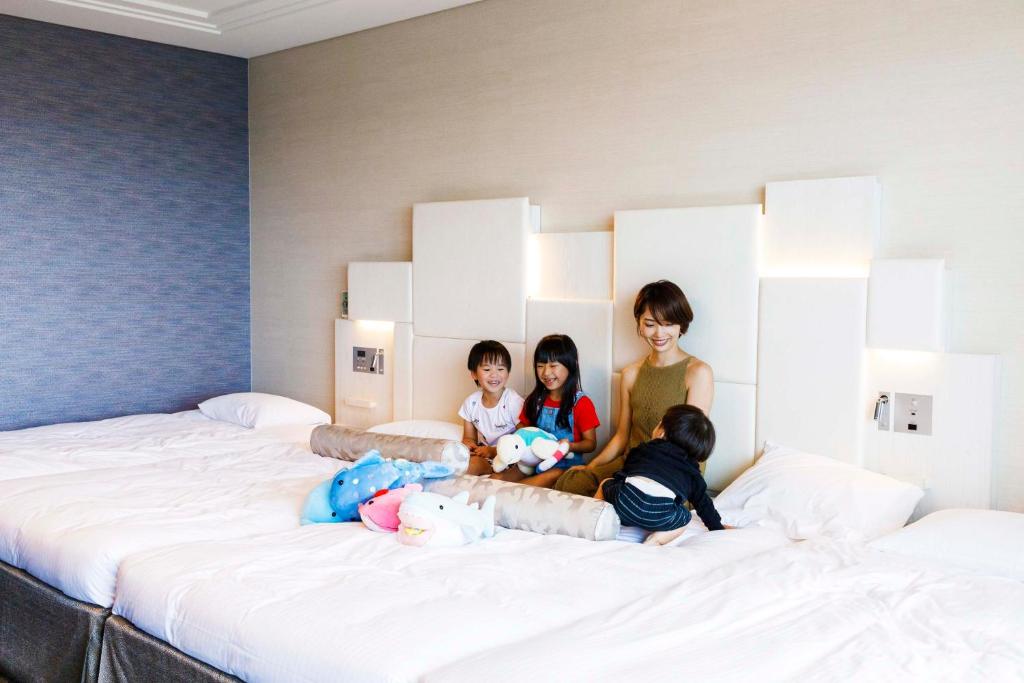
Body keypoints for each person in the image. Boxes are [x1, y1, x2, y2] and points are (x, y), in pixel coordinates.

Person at [554, 280, 713, 497]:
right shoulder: (630, 374)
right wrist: (591, 467)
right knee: (571, 482)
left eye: (668, 324)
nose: (659, 333)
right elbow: (621, 437)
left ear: (681, 325)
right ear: (639, 323)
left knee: (630, 498)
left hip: (671, 473)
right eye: (650, 324)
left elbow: (693, 445)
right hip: (630, 465)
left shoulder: (698, 373)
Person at [596, 404, 723, 544]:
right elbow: (704, 504)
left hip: (625, 506)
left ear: (662, 433)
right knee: (686, 517)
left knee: (605, 483)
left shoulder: (643, 450)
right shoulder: (693, 474)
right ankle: (655, 541)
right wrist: (717, 527)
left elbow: (625, 474)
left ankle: (595, 520)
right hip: (659, 517)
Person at [492, 334, 599, 487]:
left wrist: (569, 446)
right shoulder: (534, 399)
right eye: (540, 366)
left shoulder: (581, 403)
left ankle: (516, 493)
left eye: (553, 366)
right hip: (532, 462)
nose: (546, 373)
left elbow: (591, 443)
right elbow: (523, 427)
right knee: (497, 480)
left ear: (571, 365)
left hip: (564, 465)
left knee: (545, 478)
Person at [459, 340, 524, 476]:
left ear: (508, 372)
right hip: (485, 456)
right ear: (474, 374)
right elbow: (469, 438)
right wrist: (470, 445)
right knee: (468, 467)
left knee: (503, 477)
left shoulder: (513, 401)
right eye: (487, 369)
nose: (494, 375)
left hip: (511, 457)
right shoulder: (471, 403)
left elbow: (524, 438)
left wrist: (494, 451)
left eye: (500, 369)